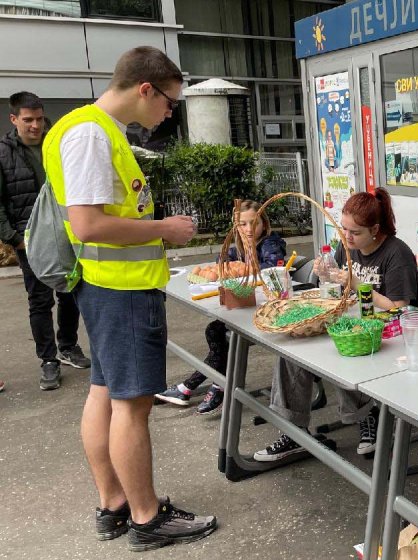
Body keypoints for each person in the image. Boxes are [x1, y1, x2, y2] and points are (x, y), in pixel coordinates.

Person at [48, 46, 216, 551]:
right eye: (169, 102)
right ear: (146, 89)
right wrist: (162, 229)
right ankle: (147, 517)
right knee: (132, 404)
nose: (170, 113)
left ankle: (115, 504)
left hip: (106, 288)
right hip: (120, 292)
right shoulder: (91, 135)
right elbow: (89, 223)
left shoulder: (91, 129)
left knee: (105, 393)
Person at [254, 188, 418, 461]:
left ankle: (367, 416)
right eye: (343, 229)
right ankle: (293, 430)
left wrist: (358, 285)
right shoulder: (347, 249)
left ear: (375, 229)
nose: (346, 237)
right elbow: (339, 295)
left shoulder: (396, 253)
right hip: (354, 325)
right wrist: (327, 276)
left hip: (387, 334)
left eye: (354, 232)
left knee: (343, 350)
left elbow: (400, 309)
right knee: (294, 349)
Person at [155, 200, 286, 414]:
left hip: (267, 312)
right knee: (216, 331)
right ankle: (210, 384)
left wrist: (242, 266)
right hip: (247, 308)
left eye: (254, 223)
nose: (249, 229)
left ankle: (203, 386)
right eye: (242, 225)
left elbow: (270, 268)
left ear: (264, 223)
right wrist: (231, 260)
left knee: (219, 332)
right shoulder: (240, 247)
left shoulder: (270, 244)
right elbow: (222, 260)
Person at [0, 91, 90, 390]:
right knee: (39, 300)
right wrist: (14, 239)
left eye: (39, 119)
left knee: (70, 291)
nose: (35, 125)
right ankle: (48, 360)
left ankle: (68, 346)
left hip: (67, 231)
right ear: (14, 119)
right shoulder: (3, 152)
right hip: (29, 238)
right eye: (28, 120)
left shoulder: (58, 142)